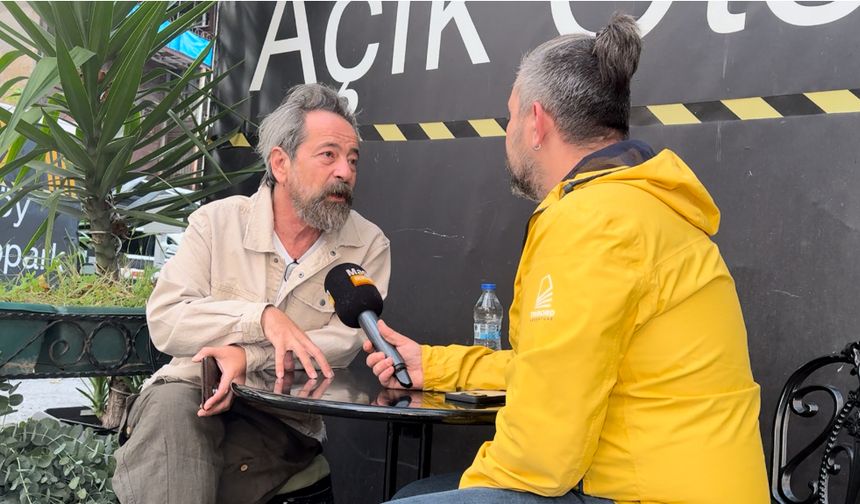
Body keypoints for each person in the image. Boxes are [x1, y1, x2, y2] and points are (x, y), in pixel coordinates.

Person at [364, 13, 769, 504]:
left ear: (536, 123)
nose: (508, 131)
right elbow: (555, 369)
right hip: (684, 485)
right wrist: (436, 365)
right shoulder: (642, 203)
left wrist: (473, 488)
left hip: (647, 494)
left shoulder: (591, 220)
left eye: (511, 115)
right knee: (422, 491)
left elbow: (543, 449)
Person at [112, 83, 391, 504]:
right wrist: (260, 318)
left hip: (281, 416)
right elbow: (166, 319)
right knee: (171, 419)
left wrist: (248, 356)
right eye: (328, 155)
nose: (345, 172)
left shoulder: (368, 244)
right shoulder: (216, 222)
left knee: (209, 472)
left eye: (352, 160)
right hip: (193, 388)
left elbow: (344, 342)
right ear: (281, 162)